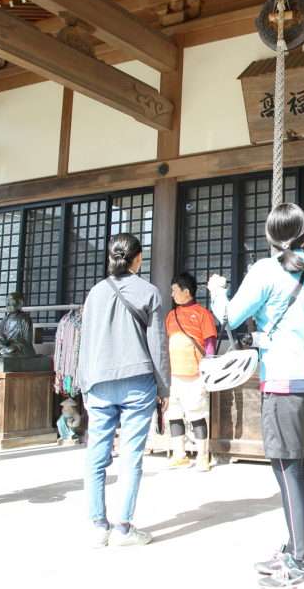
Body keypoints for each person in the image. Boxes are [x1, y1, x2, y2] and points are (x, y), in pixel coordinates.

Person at [207, 203, 304, 589]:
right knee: (303, 468)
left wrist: (216, 291)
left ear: (269, 236)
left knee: (286, 469)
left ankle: (301, 563)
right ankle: (295, 547)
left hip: (284, 383)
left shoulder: (265, 270)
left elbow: (228, 316)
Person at [78, 233, 170, 547]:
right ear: (138, 258)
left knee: (96, 455)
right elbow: (158, 345)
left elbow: (84, 342)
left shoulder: (95, 293)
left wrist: (83, 385)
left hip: (99, 381)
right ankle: (123, 528)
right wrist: (164, 387)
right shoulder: (150, 292)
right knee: (131, 456)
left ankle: (97, 525)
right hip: (138, 382)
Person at [165, 271, 218, 471]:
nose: (172, 294)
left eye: (174, 290)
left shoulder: (203, 314)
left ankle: (203, 456)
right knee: (174, 413)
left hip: (195, 374)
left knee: (197, 414)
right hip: (174, 374)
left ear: (186, 292)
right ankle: (180, 454)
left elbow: (210, 344)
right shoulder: (171, 316)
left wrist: (207, 369)